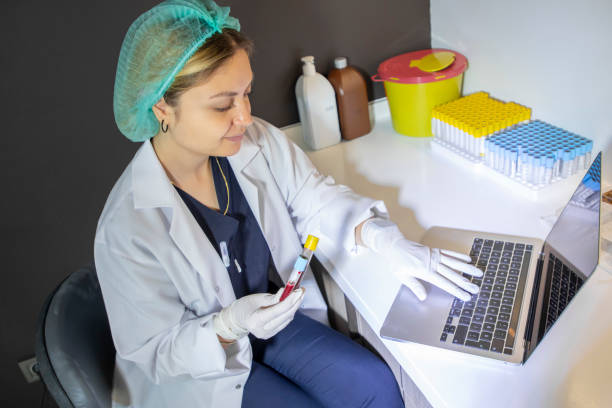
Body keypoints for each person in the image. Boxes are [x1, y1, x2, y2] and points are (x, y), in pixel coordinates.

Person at [94, 1, 482, 407]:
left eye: (247, 94)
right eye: (223, 104)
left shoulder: (254, 141)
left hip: (276, 323)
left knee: (373, 385)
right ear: (162, 108)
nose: (245, 117)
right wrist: (230, 325)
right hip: (200, 369)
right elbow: (154, 352)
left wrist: (380, 237)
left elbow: (314, 197)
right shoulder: (128, 226)